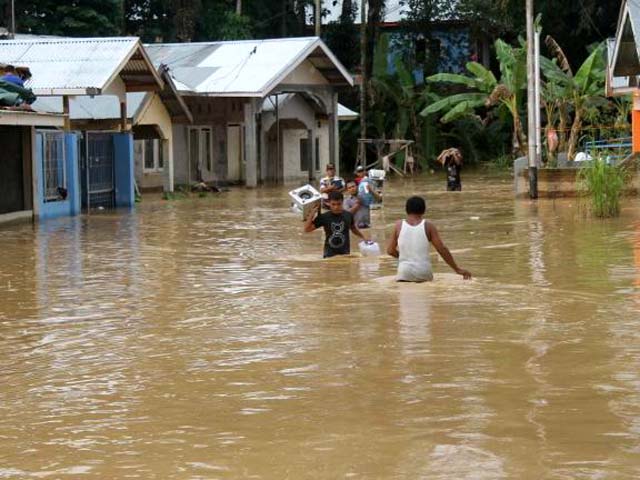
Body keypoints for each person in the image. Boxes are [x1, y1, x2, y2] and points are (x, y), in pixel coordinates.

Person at [387, 196, 471, 282]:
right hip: (424, 272)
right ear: (423, 210)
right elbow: (442, 249)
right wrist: (457, 269)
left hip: (404, 272)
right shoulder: (428, 226)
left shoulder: (398, 226)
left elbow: (390, 251)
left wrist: (404, 257)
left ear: (406, 210)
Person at [305, 191, 367, 258]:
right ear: (329, 203)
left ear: (342, 202)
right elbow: (307, 229)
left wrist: (364, 237)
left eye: (339, 204)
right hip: (329, 256)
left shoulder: (348, 215)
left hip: (345, 255)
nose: (336, 207)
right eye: (333, 204)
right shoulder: (324, 217)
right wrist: (312, 214)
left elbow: (353, 229)